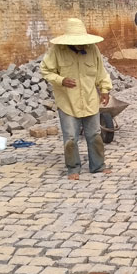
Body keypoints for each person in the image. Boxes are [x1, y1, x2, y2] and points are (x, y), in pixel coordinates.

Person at [40, 18, 113, 180]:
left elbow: (101, 71)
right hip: (68, 102)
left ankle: (98, 166)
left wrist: (105, 89)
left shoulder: (93, 49)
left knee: (94, 134)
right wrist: (61, 80)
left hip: (90, 100)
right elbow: (45, 70)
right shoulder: (57, 51)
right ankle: (73, 168)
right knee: (71, 137)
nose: (80, 45)